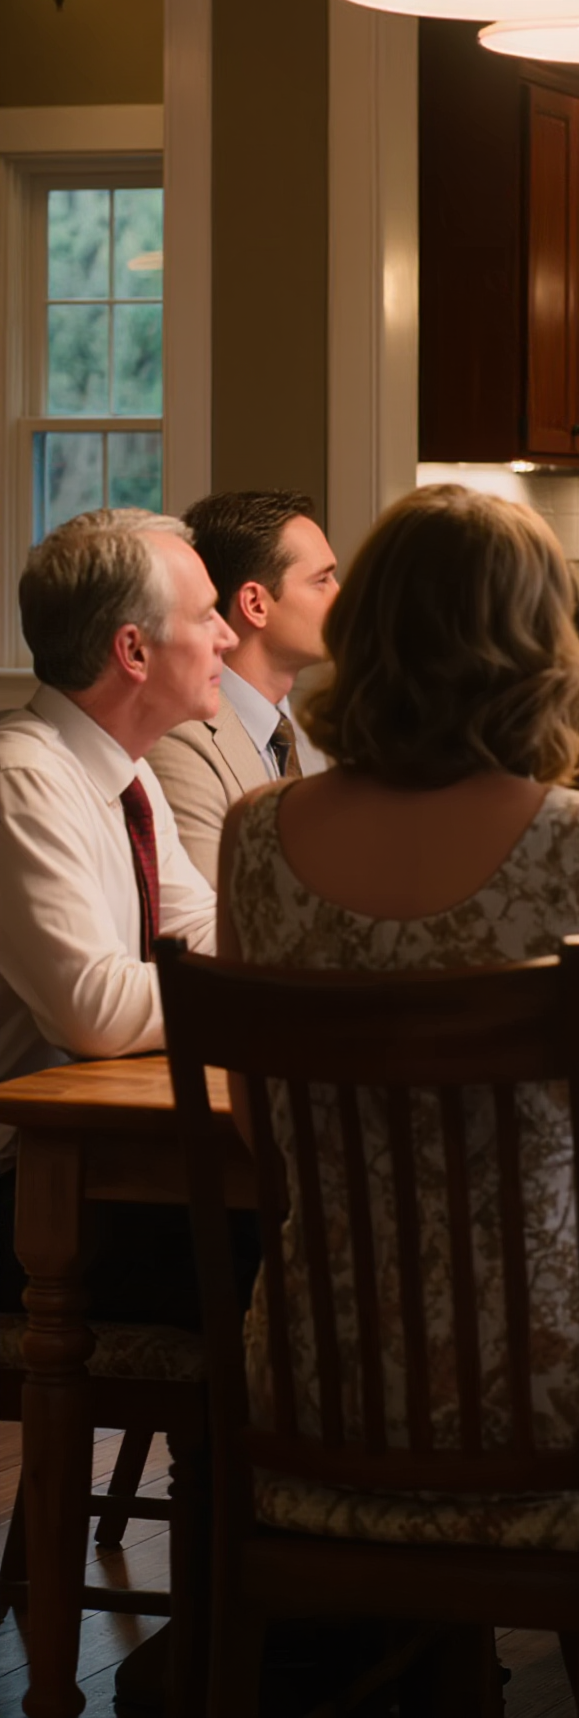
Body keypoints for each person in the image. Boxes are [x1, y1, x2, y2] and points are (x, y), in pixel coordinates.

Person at [214, 485, 579, 1718]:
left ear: (362, 630)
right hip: (549, 1390)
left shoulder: (251, 835)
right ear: (540, 647)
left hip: (310, 1381)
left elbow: (263, 1133)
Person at [0, 508, 227, 1300]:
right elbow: (90, 1010)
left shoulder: (128, 771)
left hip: (105, 1157)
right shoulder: (24, 780)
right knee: (290, 1245)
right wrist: (257, 994)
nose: (227, 638)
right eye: (205, 617)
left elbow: (200, 926)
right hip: (27, 1191)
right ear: (133, 650)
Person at [146, 489, 340, 885]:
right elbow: (217, 910)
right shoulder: (179, 742)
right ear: (255, 604)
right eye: (322, 580)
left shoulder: (310, 736)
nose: (341, 596)